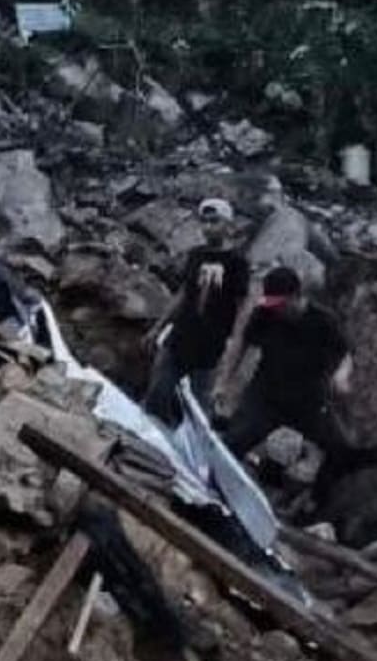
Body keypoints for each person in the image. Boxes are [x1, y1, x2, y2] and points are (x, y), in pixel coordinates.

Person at [222, 267, 353, 470]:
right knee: (234, 440)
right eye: (272, 304)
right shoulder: (265, 314)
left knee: (341, 450)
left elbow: (345, 353)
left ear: (296, 296)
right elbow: (242, 344)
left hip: (308, 401)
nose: (275, 310)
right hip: (266, 395)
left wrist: (341, 375)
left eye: (280, 304)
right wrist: (223, 382)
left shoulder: (324, 321)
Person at [143, 198, 250, 424]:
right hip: (180, 336)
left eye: (215, 221)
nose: (208, 227)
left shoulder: (237, 262)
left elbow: (242, 306)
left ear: (228, 225)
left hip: (211, 344)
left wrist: (235, 341)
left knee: (199, 408)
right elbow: (182, 294)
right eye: (205, 222)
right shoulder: (196, 255)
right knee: (157, 393)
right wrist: (158, 327)